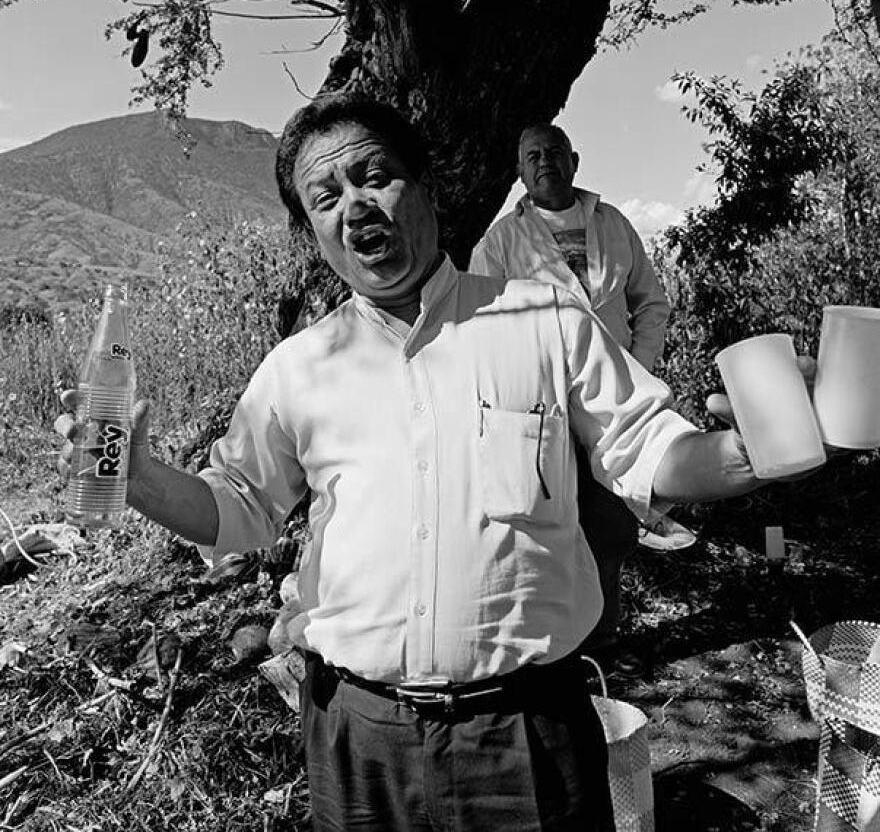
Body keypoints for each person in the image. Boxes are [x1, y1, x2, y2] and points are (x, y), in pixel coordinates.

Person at [55, 94, 805, 832]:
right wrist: (141, 481)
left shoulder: (542, 320)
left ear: (428, 187)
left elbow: (648, 447)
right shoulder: (298, 369)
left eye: (374, 176)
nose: (355, 206)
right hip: (357, 739)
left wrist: (744, 454)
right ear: (311, 232)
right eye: (326, 197)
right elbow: (239, 508)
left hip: (528, 731)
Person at [470, 123, 690, 676]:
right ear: (519, 172)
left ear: (573, 159)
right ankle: (553, 652)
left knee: (610, 525)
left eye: (552, 152)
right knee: (544, 523)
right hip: (540, 411)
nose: (543, 162)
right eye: (531, 156)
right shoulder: (500, 242)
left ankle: (604, 643)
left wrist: (633, 369)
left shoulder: (611, 223)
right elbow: (480, 331)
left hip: (611, 404)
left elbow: (651, 303)